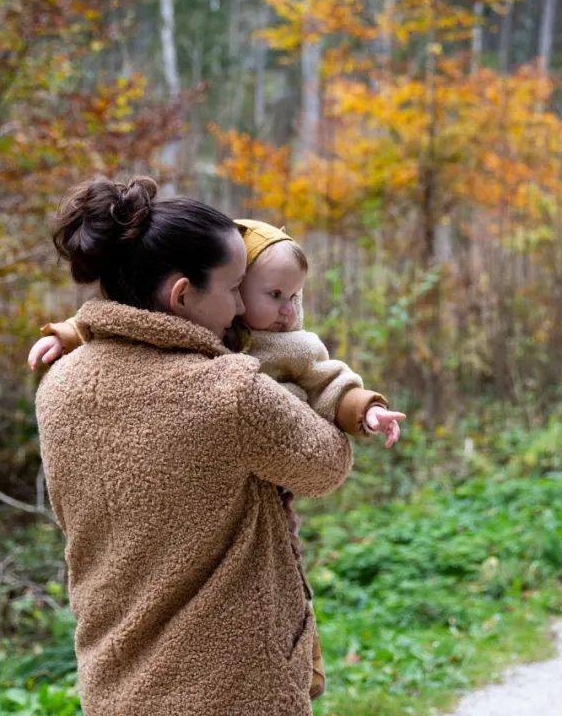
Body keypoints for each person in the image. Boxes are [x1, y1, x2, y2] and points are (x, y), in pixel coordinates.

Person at [30, 217, 407, 699]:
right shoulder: (231, 391)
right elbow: (326, 465)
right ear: (183, 294)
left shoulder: (59, 384)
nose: (238, 306)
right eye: (233, 288)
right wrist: (292, 397)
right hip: (231, 682)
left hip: (113, 679)